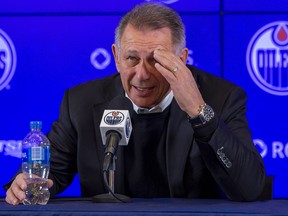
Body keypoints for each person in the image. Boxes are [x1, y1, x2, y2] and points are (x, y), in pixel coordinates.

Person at [4, 2, 265, 205]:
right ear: (116, 57)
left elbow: (249, 187)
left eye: (155, 60)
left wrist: (199, 111)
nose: (142, 74)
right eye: (132, 59)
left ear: (182, 59)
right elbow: (51, 174)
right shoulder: (81, 102)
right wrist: (27, 183)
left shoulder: (221, 97)